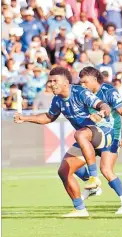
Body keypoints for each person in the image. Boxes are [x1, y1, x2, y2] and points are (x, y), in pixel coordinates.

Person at [13, 67, 112, 217]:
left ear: (66, 82)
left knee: (79, 135)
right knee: (64, 172)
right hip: (84, 137)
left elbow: (104, 106)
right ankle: (80, 209)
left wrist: (101, 113)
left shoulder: (80, 92)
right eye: (50, 81)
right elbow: (48, 117)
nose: (51, 84)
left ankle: (94, 178)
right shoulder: (58, 100)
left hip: (102, 132)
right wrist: (25, 118)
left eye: (55, 81)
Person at [66, 67, 122, 215]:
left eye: (85, 82)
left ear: (95, 80)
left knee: (106, 169)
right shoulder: (83, 94)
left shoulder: (109, 91)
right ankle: (93, 185)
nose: (82, 85)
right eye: (81, 82)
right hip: (93, 134)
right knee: (71, 165)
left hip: (111, 135)